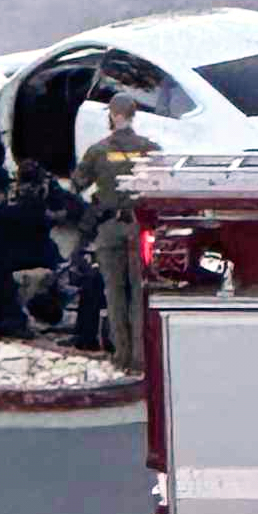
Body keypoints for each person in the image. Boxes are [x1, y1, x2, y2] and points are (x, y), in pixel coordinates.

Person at [71, 91, 161, 375]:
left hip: (109, 229)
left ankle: (122, 357)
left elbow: (77, 184)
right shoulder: (150, 149)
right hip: (141, 227)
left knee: (115, 293)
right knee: (139, 292)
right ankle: (141, 358)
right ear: (133, 115)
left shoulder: (98, 151)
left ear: (113, 114)